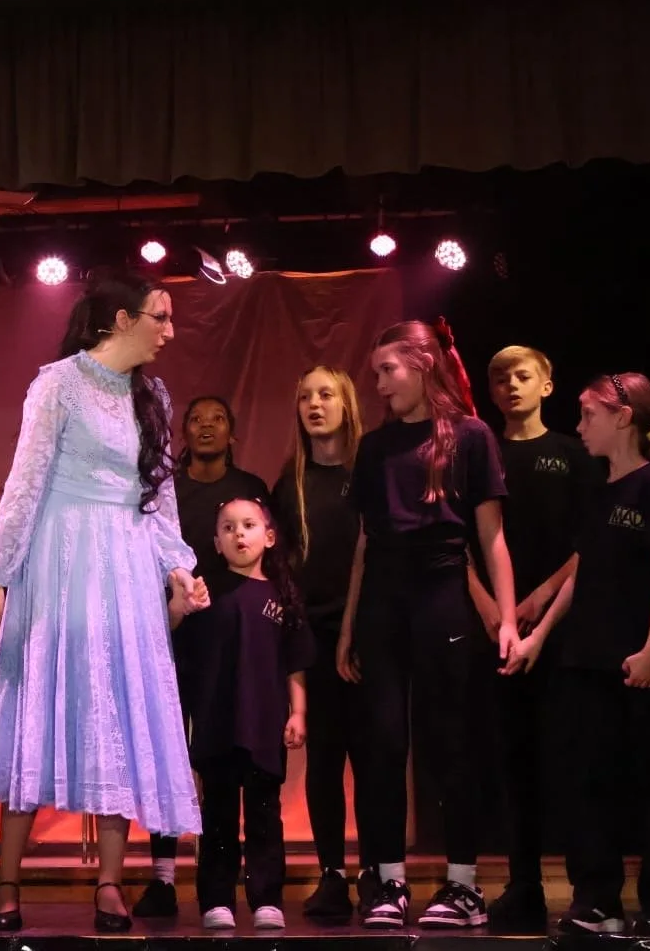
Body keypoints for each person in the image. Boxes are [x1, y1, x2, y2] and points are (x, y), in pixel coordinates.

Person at [0, 268, 210, 933]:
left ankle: (109, 881)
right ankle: (7, 880)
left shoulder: (152, 393)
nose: (170, 330)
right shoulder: (58, 385)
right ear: (120, 319)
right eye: (159, 316)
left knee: (118, 708)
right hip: (62, 558)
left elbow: (158, 497)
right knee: (41, 702)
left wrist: (179, 568)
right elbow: (23, 486)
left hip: (126, 565)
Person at [509, 372, 650, 936]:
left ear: (624, 417)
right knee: (587, 780)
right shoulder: (598, 492)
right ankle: (599, 902)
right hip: (587, 660)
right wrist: (540, 635)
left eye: (588, 415)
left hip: (638, 665)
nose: (579, 426)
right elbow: (582, 570)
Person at [337, 319, 515, 930]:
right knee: (383, 743)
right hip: (385, 601)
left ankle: (463, 885)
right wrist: (348, 627)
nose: (380, 384)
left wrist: (508, 617)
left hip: (442, 596)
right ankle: (387, 881)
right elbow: (365, 542)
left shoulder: (470, 436)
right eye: (377, 372)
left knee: (449, 742)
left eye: (388, 370)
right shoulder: (375, 448)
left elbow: (491, 540)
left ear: (421, 364)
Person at [474, 346, 595, 930]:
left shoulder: (571, 454)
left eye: (523, 376)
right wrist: (498, 613)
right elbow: (465, 545)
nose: (511, 386)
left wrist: (539, 598)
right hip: (498, 632)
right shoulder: (480, 452)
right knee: (512, 761)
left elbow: (587, 543)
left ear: (547, 384)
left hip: (561, 629)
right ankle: (523, 887)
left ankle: (586, 890)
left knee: (568, 760)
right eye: (500, 378)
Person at [134, 395, 267, 919]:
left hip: (233, 645)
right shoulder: (166, 489)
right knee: (167, 753)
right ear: (182, 431)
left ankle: (230, 880)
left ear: (232, 432)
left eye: (218, 419)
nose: (206, 426)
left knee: (227, 760)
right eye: (196, 419)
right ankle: (163, 876)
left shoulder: (251, 490)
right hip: (170, 635)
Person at [269, 365, 374, 922]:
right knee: (325, 758)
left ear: (346, 404)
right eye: (305, 395)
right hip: (314, 636)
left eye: (326, 394)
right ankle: (333, 872)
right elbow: (282, 566)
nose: (314, 404)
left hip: (366, 635)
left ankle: (380, 872)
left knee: (375, 756)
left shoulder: (368, 474)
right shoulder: (292, 482)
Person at [179, 498, 314, 930]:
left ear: (269, 537)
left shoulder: (282, 595)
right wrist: (183, 606)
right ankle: (216, 899)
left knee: (263, 814)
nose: (239, 534)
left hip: (263, 725)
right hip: (217, 725)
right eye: (228, 528)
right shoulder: (206, 592)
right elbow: (176, 644)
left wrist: (299, 713)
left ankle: (266, 898)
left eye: (249, 525)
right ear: (216, 542)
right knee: (216, 815)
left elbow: (295, 661)